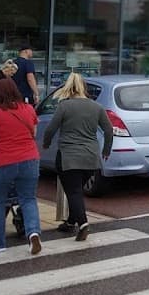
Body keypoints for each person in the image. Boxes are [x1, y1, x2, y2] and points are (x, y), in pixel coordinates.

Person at [0, 77, 42, 254]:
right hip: (30, 159)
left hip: (3, 162)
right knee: (28, 199)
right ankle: (33, 233)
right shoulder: (28, 109)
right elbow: (33, 133)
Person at [43, 72, 114, 241]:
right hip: (91, 157)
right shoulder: (96, 107)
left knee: (73, 191)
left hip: (69, 156)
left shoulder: (64, 106)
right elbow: (109, 130)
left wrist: (45, 144)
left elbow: (51, 129)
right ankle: (70, 222)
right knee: (76, 191)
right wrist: (106, 150)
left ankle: (82, 224)